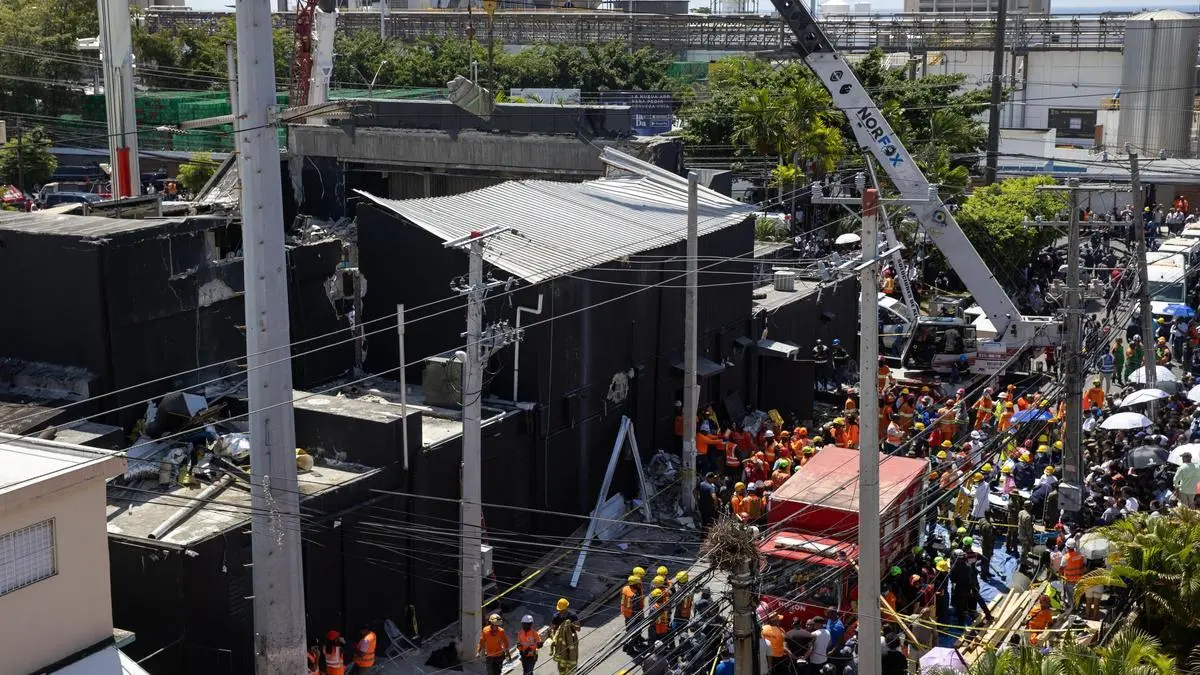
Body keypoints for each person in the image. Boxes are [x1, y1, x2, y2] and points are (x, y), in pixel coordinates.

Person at [1060, 539, 1087, 609]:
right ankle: (1077, 607)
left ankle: (1071, 608)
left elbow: (1061, 568)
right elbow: (1084, 565)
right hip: (1079, 579)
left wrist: (1060, 575)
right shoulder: (1081, 555)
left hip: (1070, 580)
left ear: (1067, 547)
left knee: (1070, 596)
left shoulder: (1065, 557)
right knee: (1078, 595)